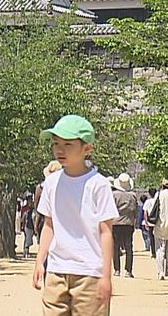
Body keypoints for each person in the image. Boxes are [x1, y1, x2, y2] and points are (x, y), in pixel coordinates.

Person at [32, 115, 117, 315]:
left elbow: (106, 232)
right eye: (55, 144)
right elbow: (49, 225)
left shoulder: (99, 184)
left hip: (89, 273)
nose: (59, 150)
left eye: (68, 144)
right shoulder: (52, 183)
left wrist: (106, 276)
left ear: (87, 149)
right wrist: (39, 262)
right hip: (56, 270)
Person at [110, 173, 138, 279]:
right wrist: (134, 221)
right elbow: (136, 209)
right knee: (129, 247)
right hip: (128, 223)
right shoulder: (133, 195)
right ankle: (128, 271)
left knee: (115, 247)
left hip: (116, 223)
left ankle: (117, 270)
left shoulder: (114, 195)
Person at [139, 193, 156, 257]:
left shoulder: (146, 203)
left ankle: (149, 247)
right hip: (155, 222)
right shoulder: (157, 200)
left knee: (148, 236)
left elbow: (143, 214)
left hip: (147, 222)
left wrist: (144, 222)